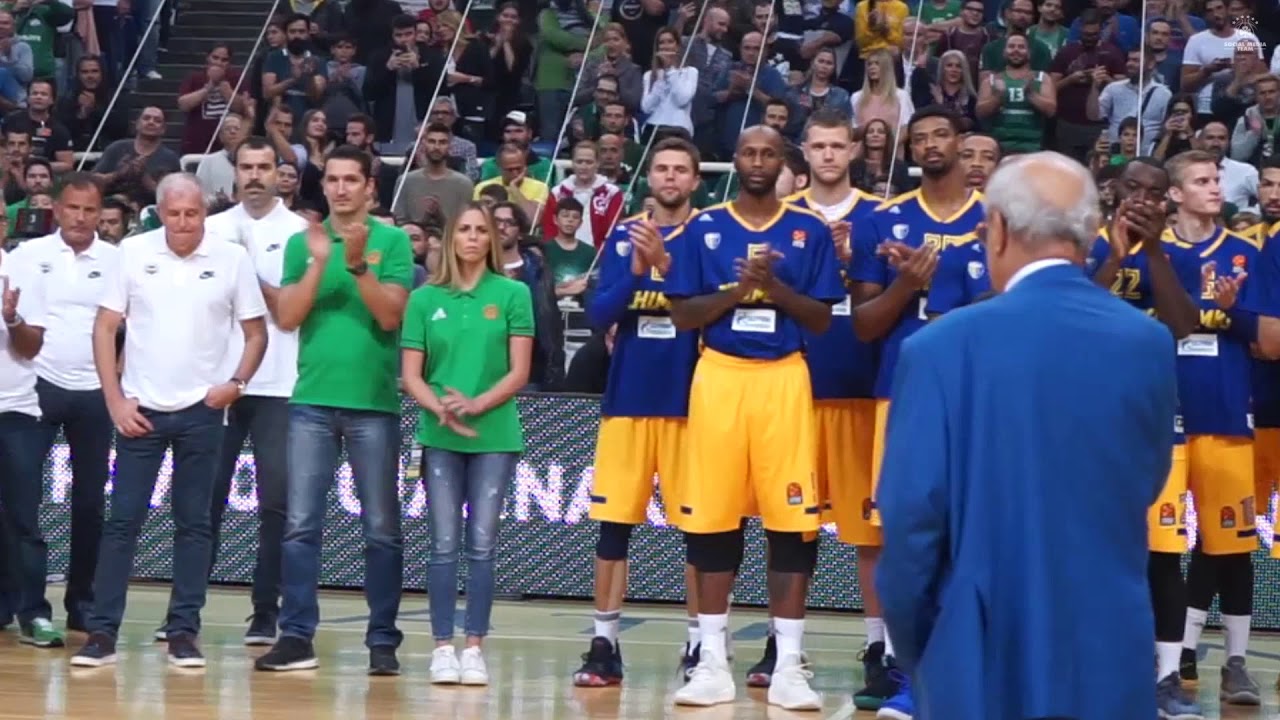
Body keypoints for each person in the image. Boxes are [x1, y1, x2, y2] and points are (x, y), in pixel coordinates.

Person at [876, 150, 1177, 720]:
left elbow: (912, 518)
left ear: (998, 229)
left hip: (977, 651)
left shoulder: (938, 347)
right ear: (1090, 232)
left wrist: (920, 656)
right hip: (1110, 649)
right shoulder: (1148, 342)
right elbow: (1147, 479)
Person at [664, 125, 844, 711]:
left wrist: (774, 289)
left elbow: (821, 318)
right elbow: (683, 314)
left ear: (784, 162)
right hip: (718, 376)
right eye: (749, 152)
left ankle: (788, 664)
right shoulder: (705, 228)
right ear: (735, 160)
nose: (759, 161)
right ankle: (711, 660)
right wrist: (737, 291)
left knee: (790, 523)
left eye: (769, 153)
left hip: (784, 378)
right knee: (713, 520)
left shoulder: (808, 229)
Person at [70, 173, 269, 668]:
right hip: (141, 410)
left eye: (192, 213)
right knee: (122, 523)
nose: (184, 223)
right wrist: (115, 400)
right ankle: (102, 632)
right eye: (174, 214)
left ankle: (183, 631)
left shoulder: (232, 258)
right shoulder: (133, 252)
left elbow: (256, 333)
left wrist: (237, 383)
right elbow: (105, 327)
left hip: (204, 410)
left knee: (194, 525)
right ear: (159, 213)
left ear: (204, 212)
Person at [850, 106, 990, 719]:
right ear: (909, 150)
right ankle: (907, 671)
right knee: (907, 534)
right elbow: (863, 325)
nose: (931, 144)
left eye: (942, 135)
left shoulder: (996, 219)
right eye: (921, 137)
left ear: (961, 144)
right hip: (903, 392)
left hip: (981, 395)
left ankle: (974, 666)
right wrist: (907, 285)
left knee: (975, 532)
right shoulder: (882, 220)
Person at [254, 146, 413, 675]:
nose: (341, 188)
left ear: (370, 187)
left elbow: (390, 318)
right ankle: (296, 636)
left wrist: (356, 264)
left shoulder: (392, 242)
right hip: (311, 400)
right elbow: (288, 318)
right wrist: (322, 261)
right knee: (300, 526)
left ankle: (382, 641)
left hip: (373, 403)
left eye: (351, 180)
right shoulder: (303, 244)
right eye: (333, 180)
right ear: (322, 187)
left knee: (382, 529)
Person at [156, 138, 309, 645]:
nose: (255, 176)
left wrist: (246, 270)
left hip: (279, 383)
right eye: (247, 167)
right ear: (234, 172)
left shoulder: (299, 233)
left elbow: (290, 313)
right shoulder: (211, 227)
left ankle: (266, 611)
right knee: (201, 504)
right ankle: (184, 614)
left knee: (276, 505)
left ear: (279, 172)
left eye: (264, 166)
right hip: (214, 384)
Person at [571, 137, 702, 688]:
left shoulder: (709, 233)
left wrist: (666, 268)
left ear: (695, 180)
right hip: (627, 402)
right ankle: (604, 642)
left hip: (690, 405)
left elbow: (710, 310)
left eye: (680, 170)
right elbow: (599, 312)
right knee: (614, 526)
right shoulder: (626, 234)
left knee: (701, 530)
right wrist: (635, 269)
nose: (670, 177)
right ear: (649, 177)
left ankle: (701, 643)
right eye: (662, 169)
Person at [1080, 157, 1204, 719]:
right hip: (1085, 416)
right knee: (1088, 550)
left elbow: (1184, 325)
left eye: (1154, 192)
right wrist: (1117, 255)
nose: (1142, 199)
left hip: (1153, 418)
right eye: (1133, 187)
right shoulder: (1081, 245)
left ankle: (1166, 676)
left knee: (1163, 553)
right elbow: (1074, 313)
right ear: (1113, 190)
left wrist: (1152, 252)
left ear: (1166, 201)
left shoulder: (1175, 255)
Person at [400, 202, 533, 686]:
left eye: (481, 230)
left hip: (494, 435)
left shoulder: (514, 293)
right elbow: (412, 375)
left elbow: (519, 371)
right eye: (464, 230)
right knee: (442, 543)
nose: (473, 238)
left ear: (491, 240)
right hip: (439, 434)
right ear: (450, 239)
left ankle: (474, 646)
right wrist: (440, 409)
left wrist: (475, 405)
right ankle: (441, 646)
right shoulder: (423, 299)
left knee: (481, 543)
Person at [779, 110, 882, 696]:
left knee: (870, 532)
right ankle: (784, 644)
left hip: (860, 386)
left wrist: (851, 264)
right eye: (818, 146)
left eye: (837, 146)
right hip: (794, 386)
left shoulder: (879, 216)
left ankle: (878, 645)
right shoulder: (783, 217)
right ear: (805, 151)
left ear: (854, 151)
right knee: (792, 527)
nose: (827, 156)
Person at [1159, 151, 1263, 703]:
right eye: (1201, 181)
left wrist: (1233, 309)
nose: (1215, 188)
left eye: (1217, 179)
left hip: (1225, 413)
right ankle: (1167, 662)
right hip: (1163, 416)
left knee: (1231, 544)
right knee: (1161, 549)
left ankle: (1236, 663)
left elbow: (1267, 339)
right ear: (1175, 194)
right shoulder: (1152, 252)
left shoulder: (1246, 253)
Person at [13, 175, 115, 640]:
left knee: (91, 504)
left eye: (89, 210)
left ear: (100, 214)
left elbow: (129, 325)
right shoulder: (27, 256)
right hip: (37, 386)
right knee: (22, 502)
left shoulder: (117, 260)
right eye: (72, 208)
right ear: (55, 209)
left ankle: (82, 602)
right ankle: (27, 605)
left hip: (95, 391)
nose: (80, 217)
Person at [0, 227, 50, 647]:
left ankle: (34, 613)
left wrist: (12, 318)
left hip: (15, 411)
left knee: (23, 520)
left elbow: (32, 347)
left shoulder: (22, 271)